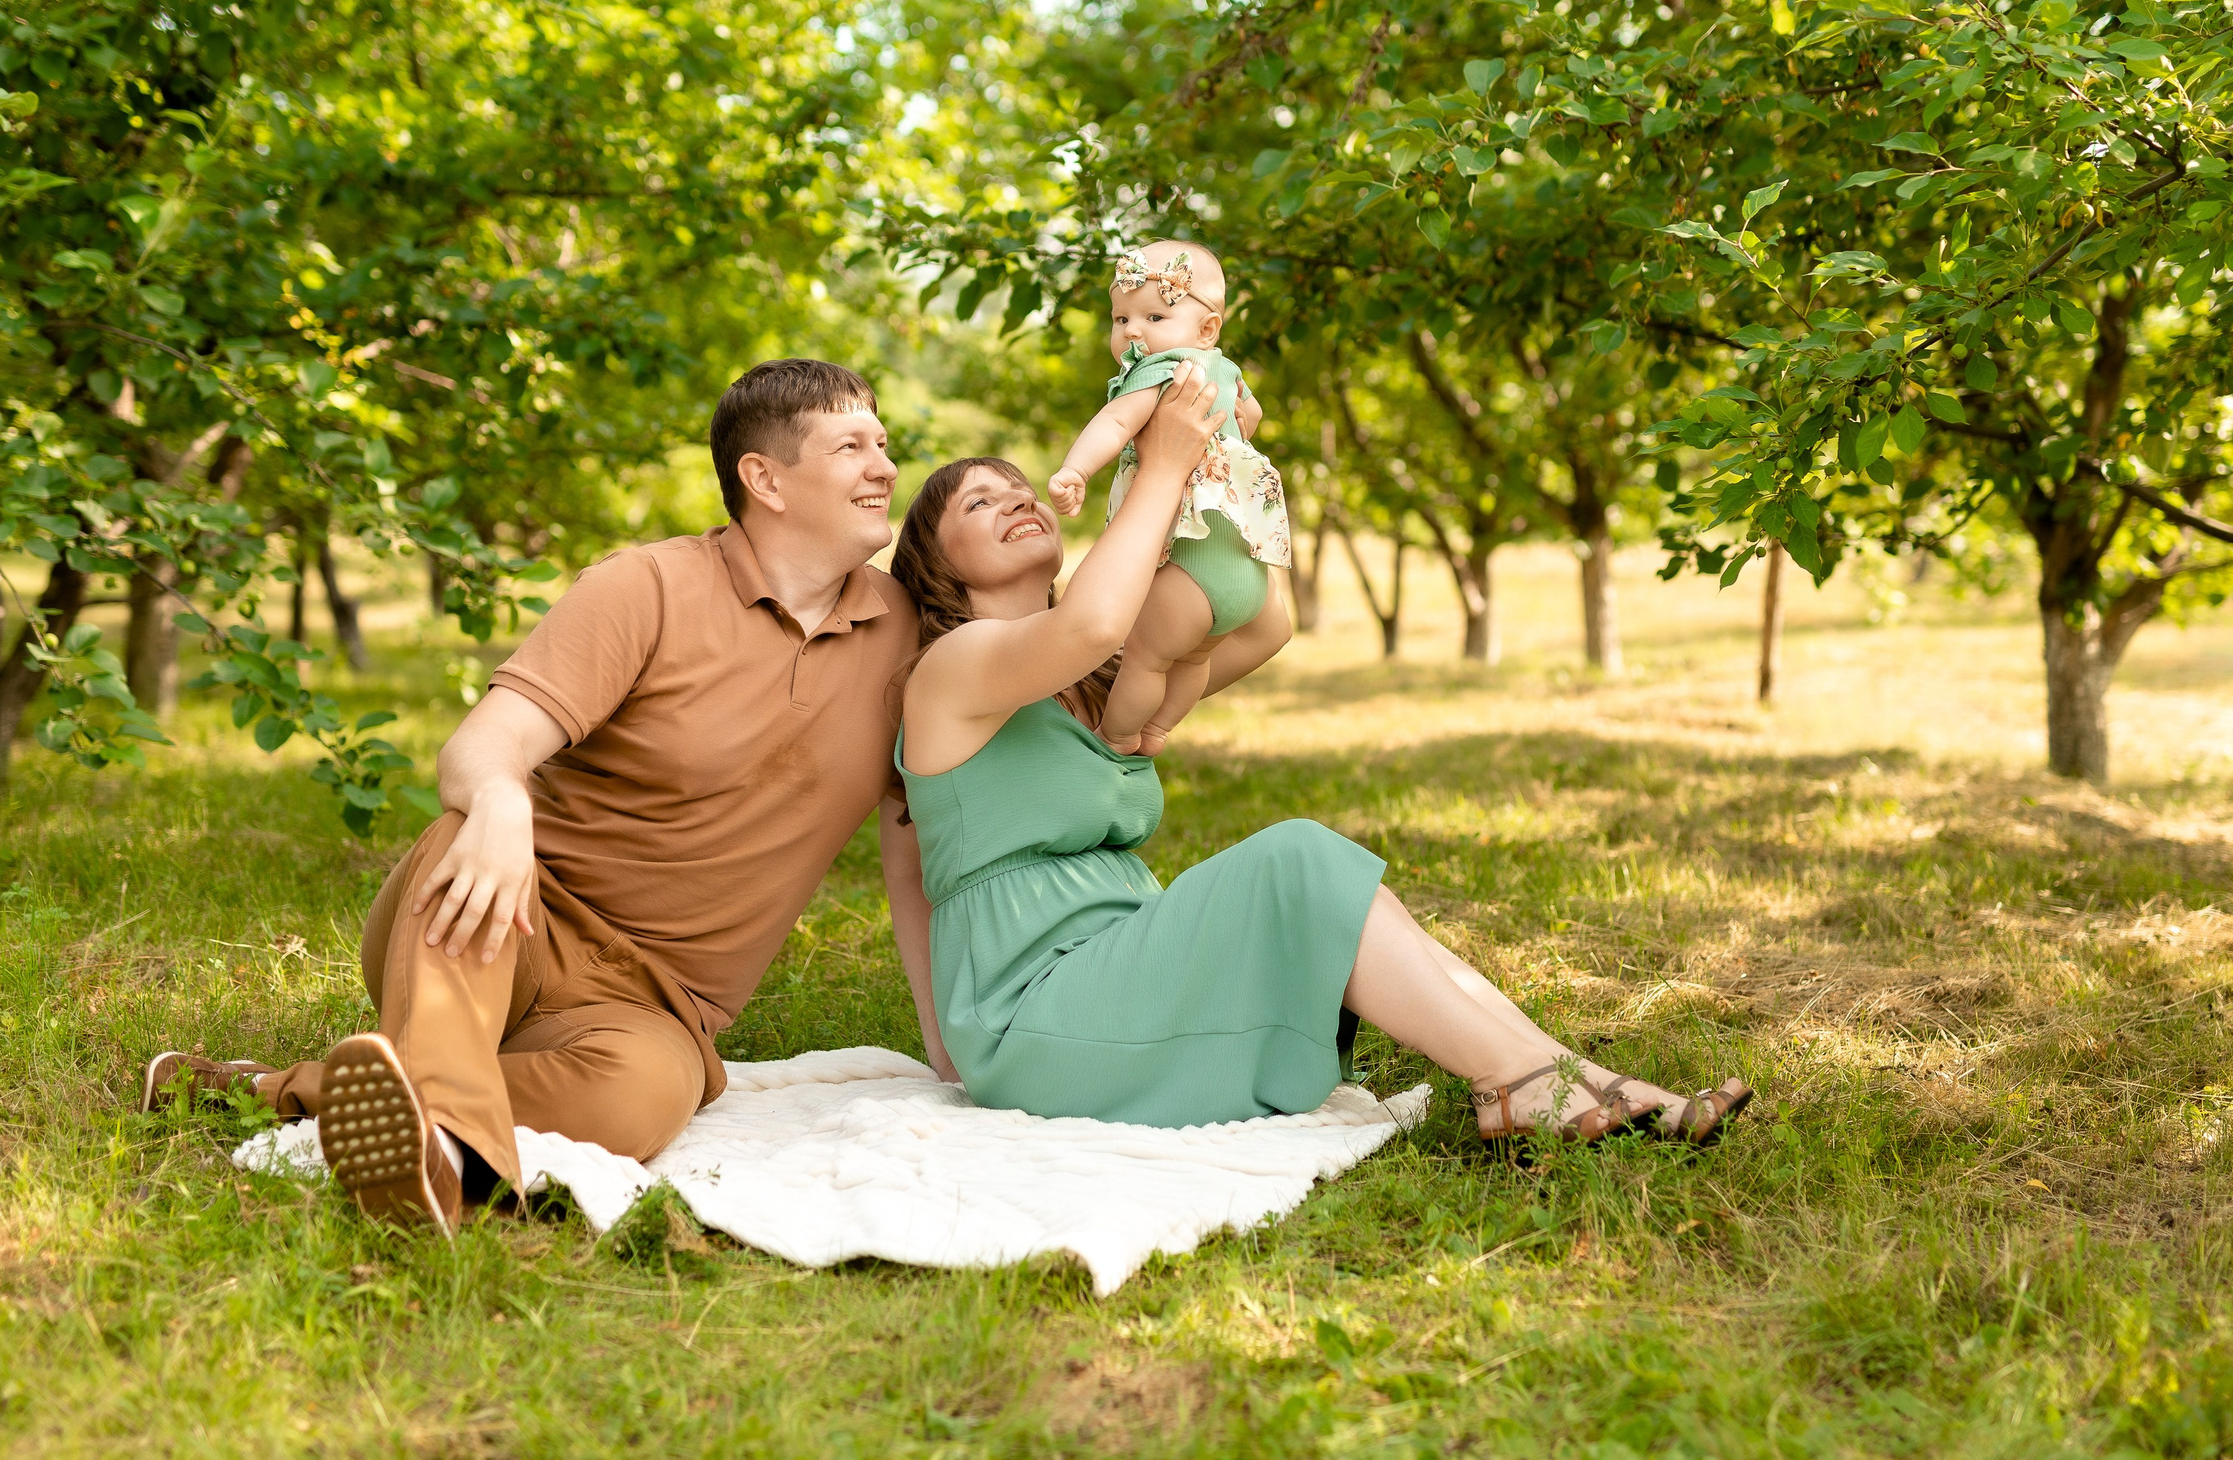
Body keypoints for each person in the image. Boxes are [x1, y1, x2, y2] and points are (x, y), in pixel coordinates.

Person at [141, 359, 956, 1234]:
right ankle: (445, 1152)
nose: (884, 467)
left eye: (884, 445)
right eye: (852, 447)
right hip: (509, 919)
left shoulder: (909, 638)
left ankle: (286, 1092)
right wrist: (499, 806)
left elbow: (1039, 695)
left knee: (641, 1104)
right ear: (765, 478)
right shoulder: (646, 586)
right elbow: (483, 747)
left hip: (651, 1008)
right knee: (470, 828)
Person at [892, 365, 1750, 1143]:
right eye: (977, 501)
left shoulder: (1102, 682)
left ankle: (1580, 1079)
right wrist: (1156, 466)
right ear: (934, 564)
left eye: (1018, 487)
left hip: (1130, 964)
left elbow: (1267, 624)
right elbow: (1087, 620)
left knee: (1355, 901)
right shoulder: (951, 671)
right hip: (1040, 1012)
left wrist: (1217, 464)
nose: (1015, 499)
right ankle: (1518, 1082)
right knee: (1299, 856)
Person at [1046, 240, 1292, 755]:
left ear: (1205, 329)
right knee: (1193, 660)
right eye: (1121, 319)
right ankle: (1157, 730)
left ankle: (1116, 737)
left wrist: (1076, 468)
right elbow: (1252, 415)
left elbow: (1114, 421)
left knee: (1145, 659)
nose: (1133, 331)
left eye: (1155, 315)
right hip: (1242, 572)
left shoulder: (1160, 372)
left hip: (1189, 568)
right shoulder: (1225, 371)